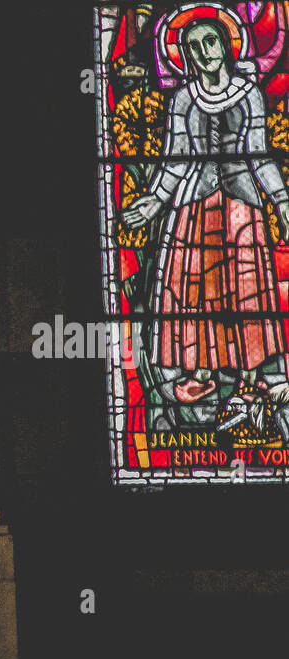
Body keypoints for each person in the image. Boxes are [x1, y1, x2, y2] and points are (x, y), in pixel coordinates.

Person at [121, 11, 289, 422]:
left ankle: (254, 374)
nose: (204, 53)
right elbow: (175, 159)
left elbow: (260, 155)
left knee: (246, 290)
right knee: (194, 292)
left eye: (210, 42)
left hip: (241, 208)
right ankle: (203, 374)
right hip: (193, 207)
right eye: (193, 47)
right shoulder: (183, 99)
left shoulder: (248, 92)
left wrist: (283, 202)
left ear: (225, 46)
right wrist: (156, 201)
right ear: (186, 56)